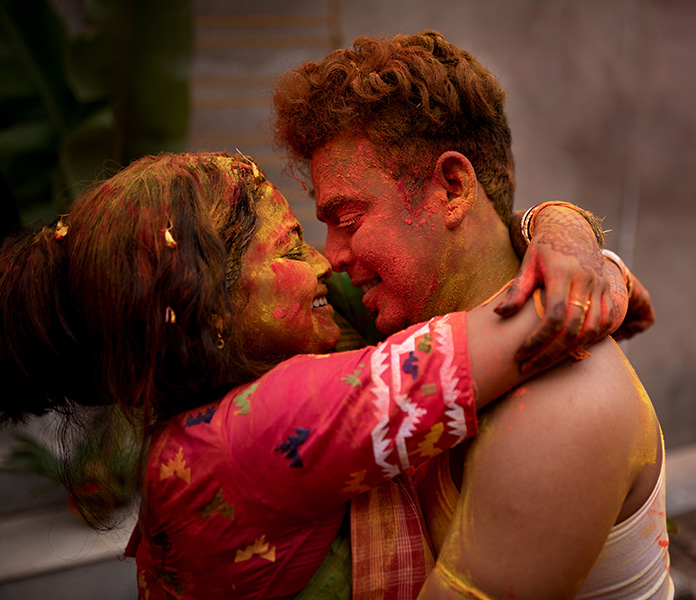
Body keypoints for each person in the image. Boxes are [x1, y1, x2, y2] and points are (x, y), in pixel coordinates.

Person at [0, 151, 628, 600]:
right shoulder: (258, 430)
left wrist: (553, 222)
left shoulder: (210, 408)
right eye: (291, 246)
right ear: (210, 305)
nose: (326, 261)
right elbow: (553, 313)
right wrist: (593, 259)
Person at [272, 30, 672, 598]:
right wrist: (565, 225)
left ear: (453, 188)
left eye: (350, 219)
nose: (329, 256)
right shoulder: (404, 313)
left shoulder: (561, 410)